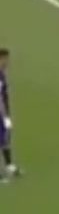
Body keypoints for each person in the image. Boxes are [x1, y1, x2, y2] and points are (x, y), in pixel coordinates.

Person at [0, 47, 14, 182]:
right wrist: (4, 115)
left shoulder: (2, 73)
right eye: (6, 59)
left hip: (4, 113)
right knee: (2, 138)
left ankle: (9, 166)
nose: (7, 62)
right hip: (1, 113)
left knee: (5, 138)